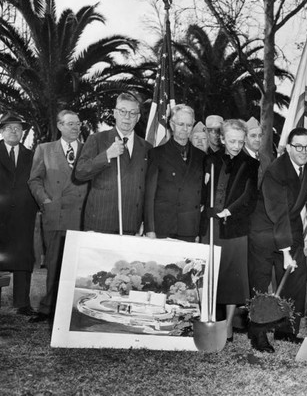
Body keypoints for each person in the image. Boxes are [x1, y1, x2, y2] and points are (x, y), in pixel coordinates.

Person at [248, 127, 307, 353]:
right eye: (298, 146)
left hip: (291, 225)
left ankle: (287, 331)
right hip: (265, 229)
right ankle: (258, 336)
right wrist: (286, 251)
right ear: (288, 148)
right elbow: (277, 212)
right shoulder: (276, 171)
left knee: (296, 279)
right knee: (260, 282)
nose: (304, 151)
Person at [28, 110, 89, 322]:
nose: (75, 128)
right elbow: (34, 180)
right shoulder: (44, 149)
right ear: (60, 126)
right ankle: (48, 308)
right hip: (55, 214)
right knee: (54, 263)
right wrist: (45, 200)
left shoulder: (88, 149)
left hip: (82, 216)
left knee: (77, 266)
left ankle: (73, 309)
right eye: (70, 124)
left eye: (78, 124)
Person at [202, 119, 259, 341]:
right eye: (232, 141)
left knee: (233, 278)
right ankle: (210, 319)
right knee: (212, 274)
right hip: (211, 225)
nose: (236, 145)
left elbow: (249, 196)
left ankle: (228, 325)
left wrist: (228, 211)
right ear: (222, 139)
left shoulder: (250, 164)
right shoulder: (211, 160)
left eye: (240, 141)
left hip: (235, 227)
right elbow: (204, 189)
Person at [75, 93, 152, 234]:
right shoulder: (97, 140)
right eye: (122, 111)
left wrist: (146, 223)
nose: (127, 117)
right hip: (99, 223)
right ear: (115, 113)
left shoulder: (147, 148)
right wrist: (107, 155)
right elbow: (80, 173)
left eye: (132, 113)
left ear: (138, 117)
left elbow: (149, 189)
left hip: (131, 224)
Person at [144, 104, 205, 242]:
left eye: (189, 125)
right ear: (172, 125)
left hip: (189, 226)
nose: (185, 129)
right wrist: (150, 228)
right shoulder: (157, 154)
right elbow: (149, 195)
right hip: (163, 227)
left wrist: (199, 230)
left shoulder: (201, 156)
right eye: (181, 124)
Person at [0, 113, 38, 315]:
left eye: (17, 128)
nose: (14, 131)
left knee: (23, 258)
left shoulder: (31, 155)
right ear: (2, 131)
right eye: (9, 127)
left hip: (24, 215)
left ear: (22, 132)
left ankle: (22, 303)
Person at [243, 117, 272, 188]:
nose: (258, 139)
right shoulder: (238, 158)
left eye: (260, 136)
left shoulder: (266, 160)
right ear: (244, 138)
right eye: (253, 136)